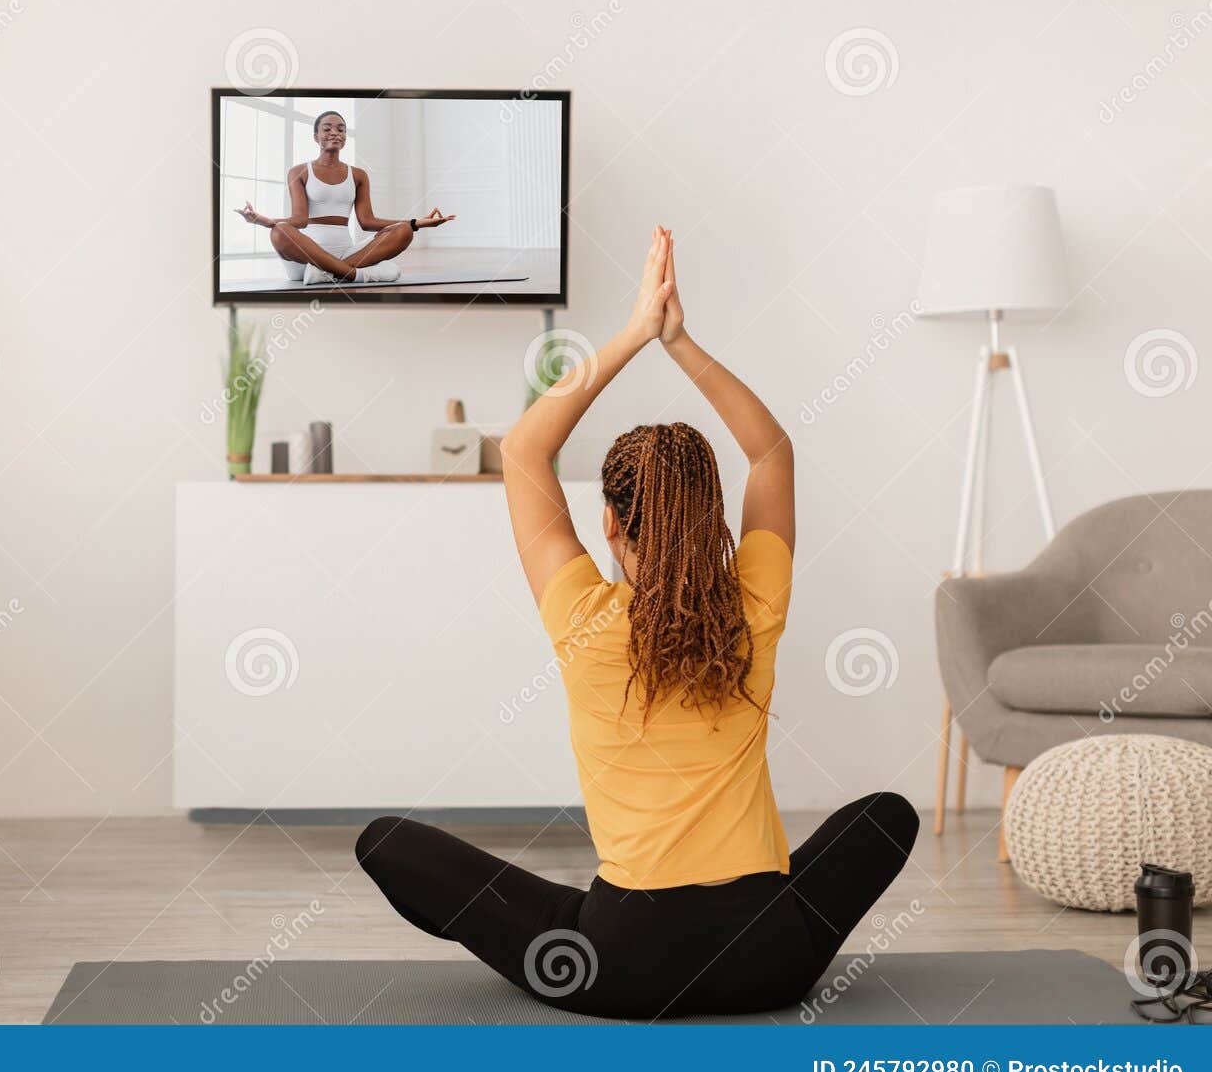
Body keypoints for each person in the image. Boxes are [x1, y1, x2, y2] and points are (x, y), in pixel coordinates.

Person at [355, 227, 919, 1019]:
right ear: (714, 518)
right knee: (887, 818)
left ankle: (587, 916)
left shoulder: (585, 616)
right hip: (770, 957)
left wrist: (632, 333)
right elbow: (772, 454)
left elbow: (523, 453)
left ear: (611, 525)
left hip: (626, 967)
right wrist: (680, 343)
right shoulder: (755, 598)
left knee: (387, 840)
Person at [235, 109, 454, 285]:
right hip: (306, 257)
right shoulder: (299, 171)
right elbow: (300, 220)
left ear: (345, 138)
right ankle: (354, 275)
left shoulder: (358, 175)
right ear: (316, 137)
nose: (334, 133)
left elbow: (368, 222)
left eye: (341, 129)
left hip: (347, 252)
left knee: (404, 231)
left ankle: (327, 274)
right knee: (280, 231)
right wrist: (264, 221)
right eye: (327, 128)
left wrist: (416, 223)